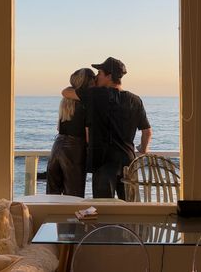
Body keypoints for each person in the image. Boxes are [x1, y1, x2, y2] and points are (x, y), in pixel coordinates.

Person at [62, 57, 152, 199]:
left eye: (99, 73)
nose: (97, 77)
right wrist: (143, 149)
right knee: (131, 208)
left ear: (109, 76)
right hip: (128, 162)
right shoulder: (135, 100)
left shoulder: (95, 95)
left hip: (103, 162)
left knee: (104, 211)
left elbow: (66, 92)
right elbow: (147, 132)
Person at [46, 68, 95, 197]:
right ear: (89, 81)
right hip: (75, 149)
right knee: (74, 195)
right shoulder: (87, 102)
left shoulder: (65, 101)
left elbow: (59, 127)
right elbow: (88, 132)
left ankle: (52, 216)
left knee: (52, 193)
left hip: (57, 146)